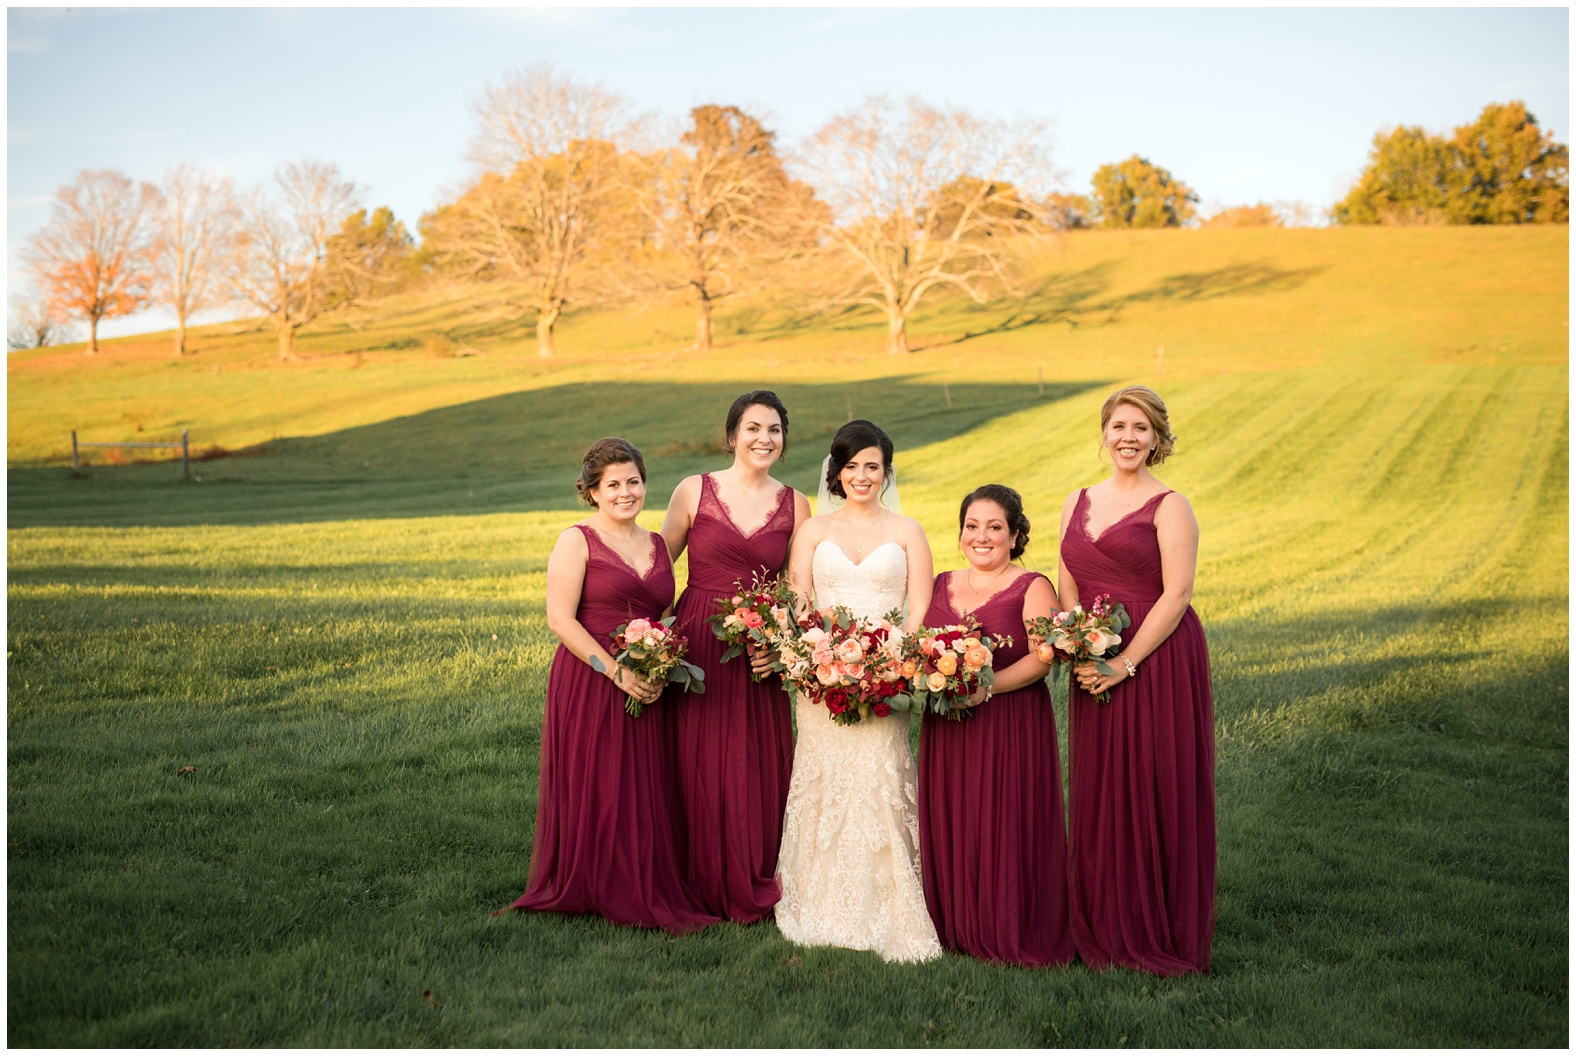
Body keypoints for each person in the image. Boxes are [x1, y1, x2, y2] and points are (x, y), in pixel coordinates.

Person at [508, 438, 721, 934]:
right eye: (613, 485)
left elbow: (662, 613)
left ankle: (639, 878)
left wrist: (657, 661)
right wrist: (616, 671)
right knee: (598, 780)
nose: (625, 493)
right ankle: (592, 881)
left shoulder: (657, 546)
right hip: (590, 676)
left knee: (642, 784)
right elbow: (560, 620)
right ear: (592, 492)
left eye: (633, 482)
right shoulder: (577, 540)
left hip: (646, 675)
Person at [1057, 385, 1216, 974]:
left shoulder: (1171, 505)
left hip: (1156, 660)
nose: (1128, 437)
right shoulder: (1078, 499)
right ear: (1104, 434)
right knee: (1101, 788)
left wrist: (1124, 664)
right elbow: (1067, 578)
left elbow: (1177, 594)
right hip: (1090, 660)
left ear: (1157, 439)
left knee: (1154, 783)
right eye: (1119, 426)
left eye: (1141, 429)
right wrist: (1076, 639)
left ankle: (1158, 926)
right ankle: (1101, 920)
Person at [773, 420, 942, 963]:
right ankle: (815, 897)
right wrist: (816, 655)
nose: (862, 476)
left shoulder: (909, 530)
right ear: (835, 472)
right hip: (822, 677)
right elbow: (798, 601)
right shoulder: (814, 531)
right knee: (824, 778)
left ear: (887, 472)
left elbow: (920, 607)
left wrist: (890, 661)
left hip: (887, 677)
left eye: (872, 466)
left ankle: (891, 901)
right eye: (851, 467)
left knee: (880, 775)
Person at [661, 392, 811, 922]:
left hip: (757, 649)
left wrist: (782, 646)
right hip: (698, 639)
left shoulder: (797, 504)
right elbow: (657, 571)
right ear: (732, 436)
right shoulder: (693, 491)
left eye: (774, 429)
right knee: (696, 759)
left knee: (752, 763)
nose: (763, 438)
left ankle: (754, 868)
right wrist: (648, 644)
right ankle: (694, 876)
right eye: (752, 428)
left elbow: (796, 590)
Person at [917, 484, 1074, 967]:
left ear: (1015, 535)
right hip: (947, 726)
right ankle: (956, 925)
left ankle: (1007, 924)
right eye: (971, 526)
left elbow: (1042, 659)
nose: (981, 537)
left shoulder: (1033, 587)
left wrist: (987, 688)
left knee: (1004, 819)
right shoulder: (941, 582)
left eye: (994, 527)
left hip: (1009, 722)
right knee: (955, 818)